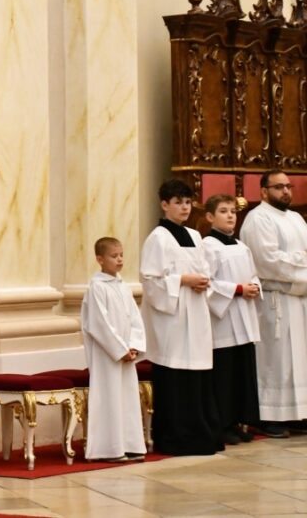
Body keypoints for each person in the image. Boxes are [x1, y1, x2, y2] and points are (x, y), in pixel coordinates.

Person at [139, 178, 220, 455]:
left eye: (188, 202)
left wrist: (203, 281)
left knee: (198, 375)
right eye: (178, 203)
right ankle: (175, 437)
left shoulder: (196, 236)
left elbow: (205, 269)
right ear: (164, 205)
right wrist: (183, 280)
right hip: (173, 317)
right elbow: (150, 280)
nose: (185, 208)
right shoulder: (158, 238)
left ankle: (201, 434)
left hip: (195, 311)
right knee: (175, 377)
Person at [239, 169, 307, 438]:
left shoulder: (296, 218)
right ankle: (269, 416)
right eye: (279, 187)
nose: (286, 191)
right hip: (275, 300)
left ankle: (296, 413)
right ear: (264, 191)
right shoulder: (258, 218)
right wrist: (301, 263)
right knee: (276, 359)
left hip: (298, 298)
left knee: (299, 358)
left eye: (288, 186)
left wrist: (298, 261)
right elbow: (268, 260)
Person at [202, 193, 262, 444]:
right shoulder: (208, 246)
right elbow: (207, 284)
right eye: (223, 211)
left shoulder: (241, 245)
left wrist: (254, 286)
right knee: (224, 374)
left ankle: (239, 421)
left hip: (244, 316)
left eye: (233, 212)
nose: (230, 216)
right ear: (209, 216)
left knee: (242, 373)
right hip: (224, 321)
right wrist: (237, 289)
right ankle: (222, 424)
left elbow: (253, 274)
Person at [80, 237, 146, 462]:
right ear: (100, 259)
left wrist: (134, 345)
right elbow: (99, 323)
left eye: (121, 255)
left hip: (126, 353)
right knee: (109, 397)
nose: (119, 260)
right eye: (114, 256)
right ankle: (108, 449)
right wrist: (119, 349)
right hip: (107, 356)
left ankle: (130, 444)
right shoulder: (96, 288)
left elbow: (135, 318)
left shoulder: (122, 286)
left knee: (127, 398)